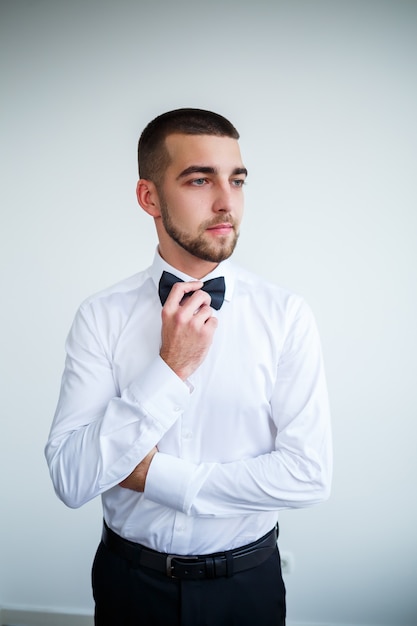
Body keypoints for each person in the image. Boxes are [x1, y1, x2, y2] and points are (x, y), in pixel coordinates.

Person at [45, 108, 332, 626]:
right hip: (129, 584)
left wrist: (154, 474)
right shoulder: (100, 317)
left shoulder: (286, 315)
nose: (227, 202)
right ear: (148, 197)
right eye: (200, 179)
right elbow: (71, 477)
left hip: (249, 586)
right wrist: (170, 369)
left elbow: (308, 475)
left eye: (237, 180)